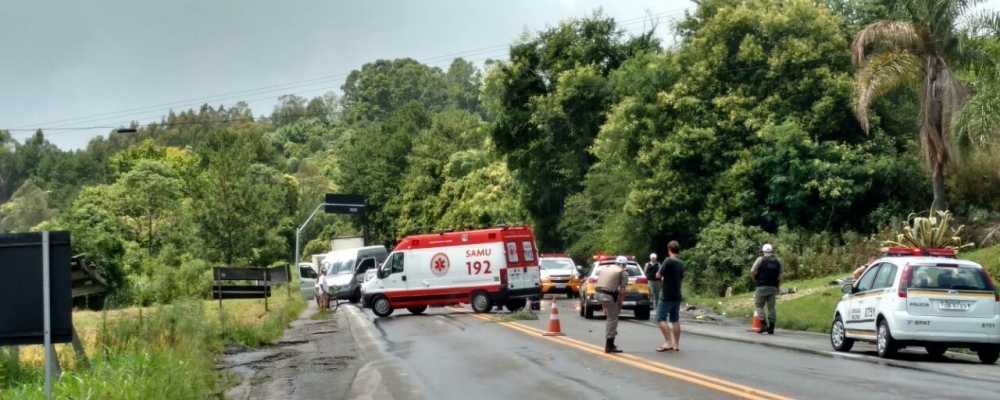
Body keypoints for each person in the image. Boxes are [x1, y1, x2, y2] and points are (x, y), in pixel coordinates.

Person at [595, 256, 629, 353]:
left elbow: (602, 284)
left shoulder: (606, 268)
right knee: (613, 318)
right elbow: (622, 293)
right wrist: (619, 308)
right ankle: (609, 345)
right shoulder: (623, 272)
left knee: (610, 316)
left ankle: (611, 340)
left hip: (597, 294)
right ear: (624, 264)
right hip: (607, 296)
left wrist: (604, 306)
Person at [655, 241, 684, 352]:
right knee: (675, 319)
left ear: (669, 250)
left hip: (667, 295)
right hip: (677, 294)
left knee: (660, 317)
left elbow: (658, 275)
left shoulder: (668, 260)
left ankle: (668, 342)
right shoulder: (681, 263)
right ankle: (676, 344)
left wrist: (663, 277)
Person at [751, 244, 783, 334]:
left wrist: (755, 279)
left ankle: (764, 325)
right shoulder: (777, 261)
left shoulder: (760, 259)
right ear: (772, 251)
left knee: (759, 305)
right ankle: (771, 327)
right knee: (771, 307)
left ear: (763, 251)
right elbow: (781, 276)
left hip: (761, 286)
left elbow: (752, 271)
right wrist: (778, 287)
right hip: (773, 287)